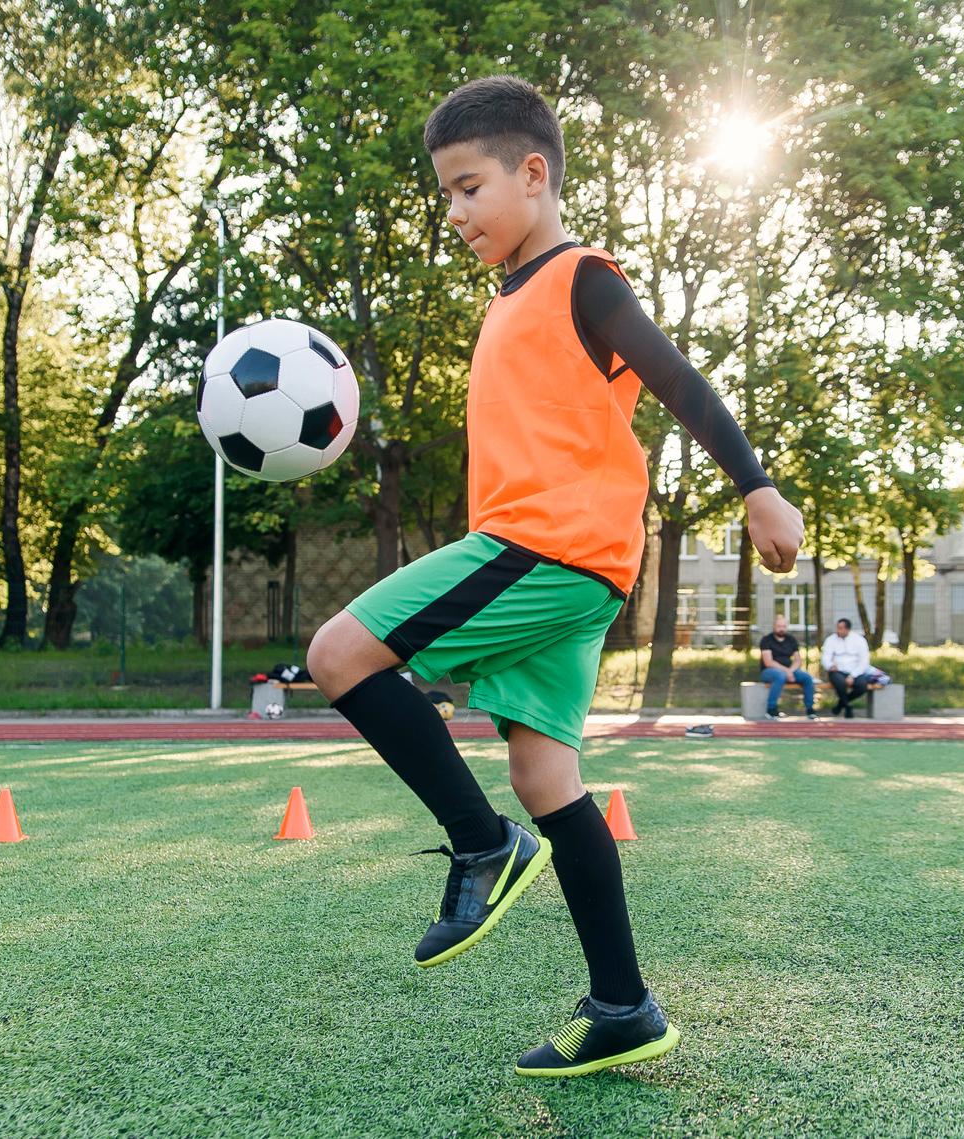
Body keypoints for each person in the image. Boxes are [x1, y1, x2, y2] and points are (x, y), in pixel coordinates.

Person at [305, 76, 804, 1078]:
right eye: (443, 194)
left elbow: (679, 379)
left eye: (467, 187)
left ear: (533, 175)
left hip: (547, 547)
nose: (453, 213)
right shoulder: (508, 300)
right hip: (564, 563)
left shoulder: (582, 279)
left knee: (338, 653)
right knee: (546, 776)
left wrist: (756, 485)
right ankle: (623, 1004)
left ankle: (479, 845)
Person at [758, 613, 818, 720]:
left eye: (784, 627)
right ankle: (771, 709)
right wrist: (787, 671)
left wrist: (790, 671)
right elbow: (768, 662)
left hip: (790, 670)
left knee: (807, 677)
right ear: (774, 626)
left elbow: (798, 660)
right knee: (780, 676)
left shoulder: (791, 640)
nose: (782, 629)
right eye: (779, 626)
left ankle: (810, 709)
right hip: (770, 671)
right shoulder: (767, 640)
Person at [821, 617, 873, 717]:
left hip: (855, 671)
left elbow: (864, 662)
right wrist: (830, 666)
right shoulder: (830, 640)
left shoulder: (859, 640)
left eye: (840, 628)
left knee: (862, 686)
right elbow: (825, 659)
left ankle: (841, 705)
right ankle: (848, 707)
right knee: (840, 683)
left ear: (848, 629)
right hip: (837, 671)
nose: (837, 631)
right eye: (837, 628)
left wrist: (852, 675)